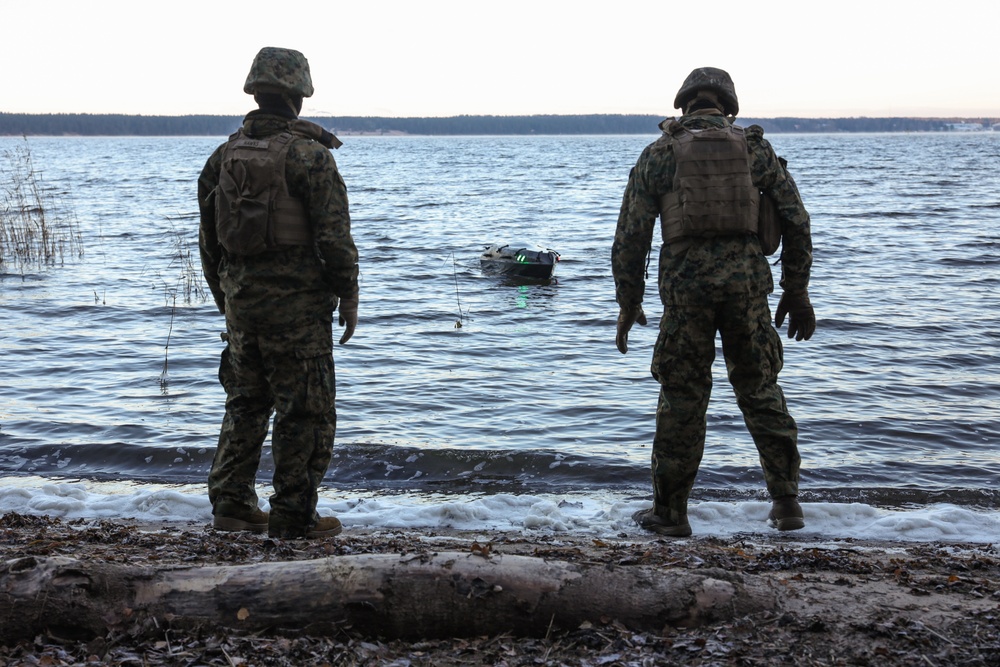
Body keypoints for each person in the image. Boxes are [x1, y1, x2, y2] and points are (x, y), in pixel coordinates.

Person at [612, 67, 815, 537]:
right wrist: (796, 290)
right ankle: (787, 505)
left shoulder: (660, 153)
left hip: (686, 293)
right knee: (760, 389)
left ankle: (671, 514)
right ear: (729, 104)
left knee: (682, 398)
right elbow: (796, 221)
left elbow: (631, 236)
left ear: (683, 104)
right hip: (747, 291)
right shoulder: (755, 149)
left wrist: (629, 302)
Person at [198, 47, 360, 539]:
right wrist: (348, 294)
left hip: (243, 308)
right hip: (297, 312)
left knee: (246, 402)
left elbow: (209, 241)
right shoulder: (310, 157)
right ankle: (293, 516)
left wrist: (227, 298)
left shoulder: (223, 155)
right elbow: (333, 238)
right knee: (305, 410)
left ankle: (232, 502)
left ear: (256, 91)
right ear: (298, 96)